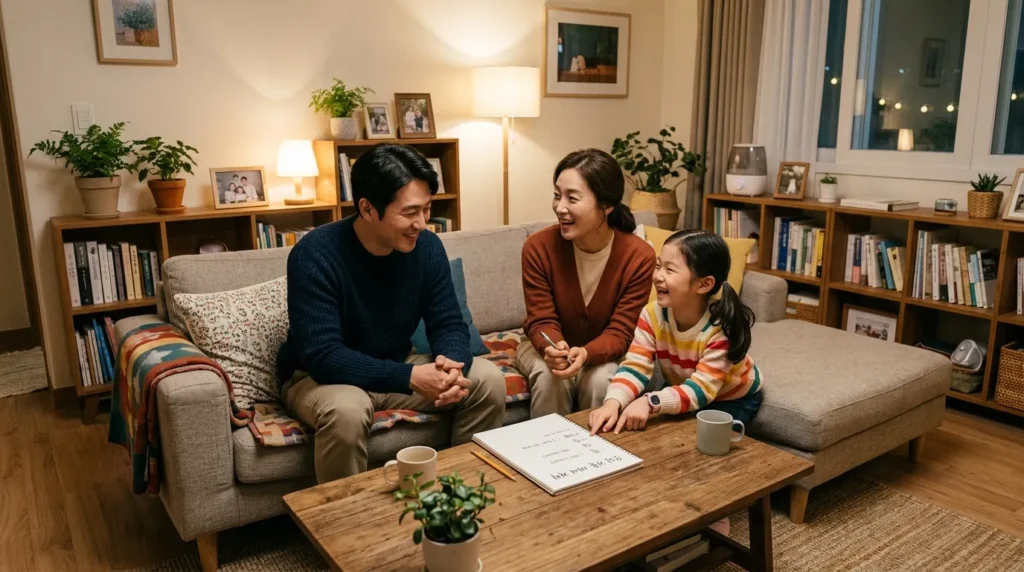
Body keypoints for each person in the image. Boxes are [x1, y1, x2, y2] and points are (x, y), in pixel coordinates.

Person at [276, 144, 507, 483]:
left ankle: (460, 494)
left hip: (397, 364)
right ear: (368, 208)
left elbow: (448, 322)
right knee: (347, 411)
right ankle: (346, 525)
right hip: (321, 377)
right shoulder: (314, 254)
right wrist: (411, 378)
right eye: (409, 212)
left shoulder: (427, 248)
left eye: (427, 209)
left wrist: (451, 364)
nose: (422, 223)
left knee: (487, 380)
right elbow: (323, 356)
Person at [518, 148, 655, 419]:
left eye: (572, 198)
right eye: (557, 195)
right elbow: (541, 320)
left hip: (606, 351)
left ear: (606, 205)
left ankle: (597, 457)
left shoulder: (639, 256)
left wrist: (586, 353)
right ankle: (545, 457)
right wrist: (554, 349)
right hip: (545, 346)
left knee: (603, 379)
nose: (560, 207)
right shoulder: (538, 247)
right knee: (550, 376)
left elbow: (622, 331)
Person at [589, 229, 763, 436]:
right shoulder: (652, 314)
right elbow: (636, 366)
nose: (657, 276)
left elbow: (701, 390)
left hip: (731, 399)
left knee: (696, 442)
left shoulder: (719, 328)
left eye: (670, 270)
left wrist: (650, 401)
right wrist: (613, 402)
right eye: (658, 266)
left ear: (704, 284)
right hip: (684, 385)